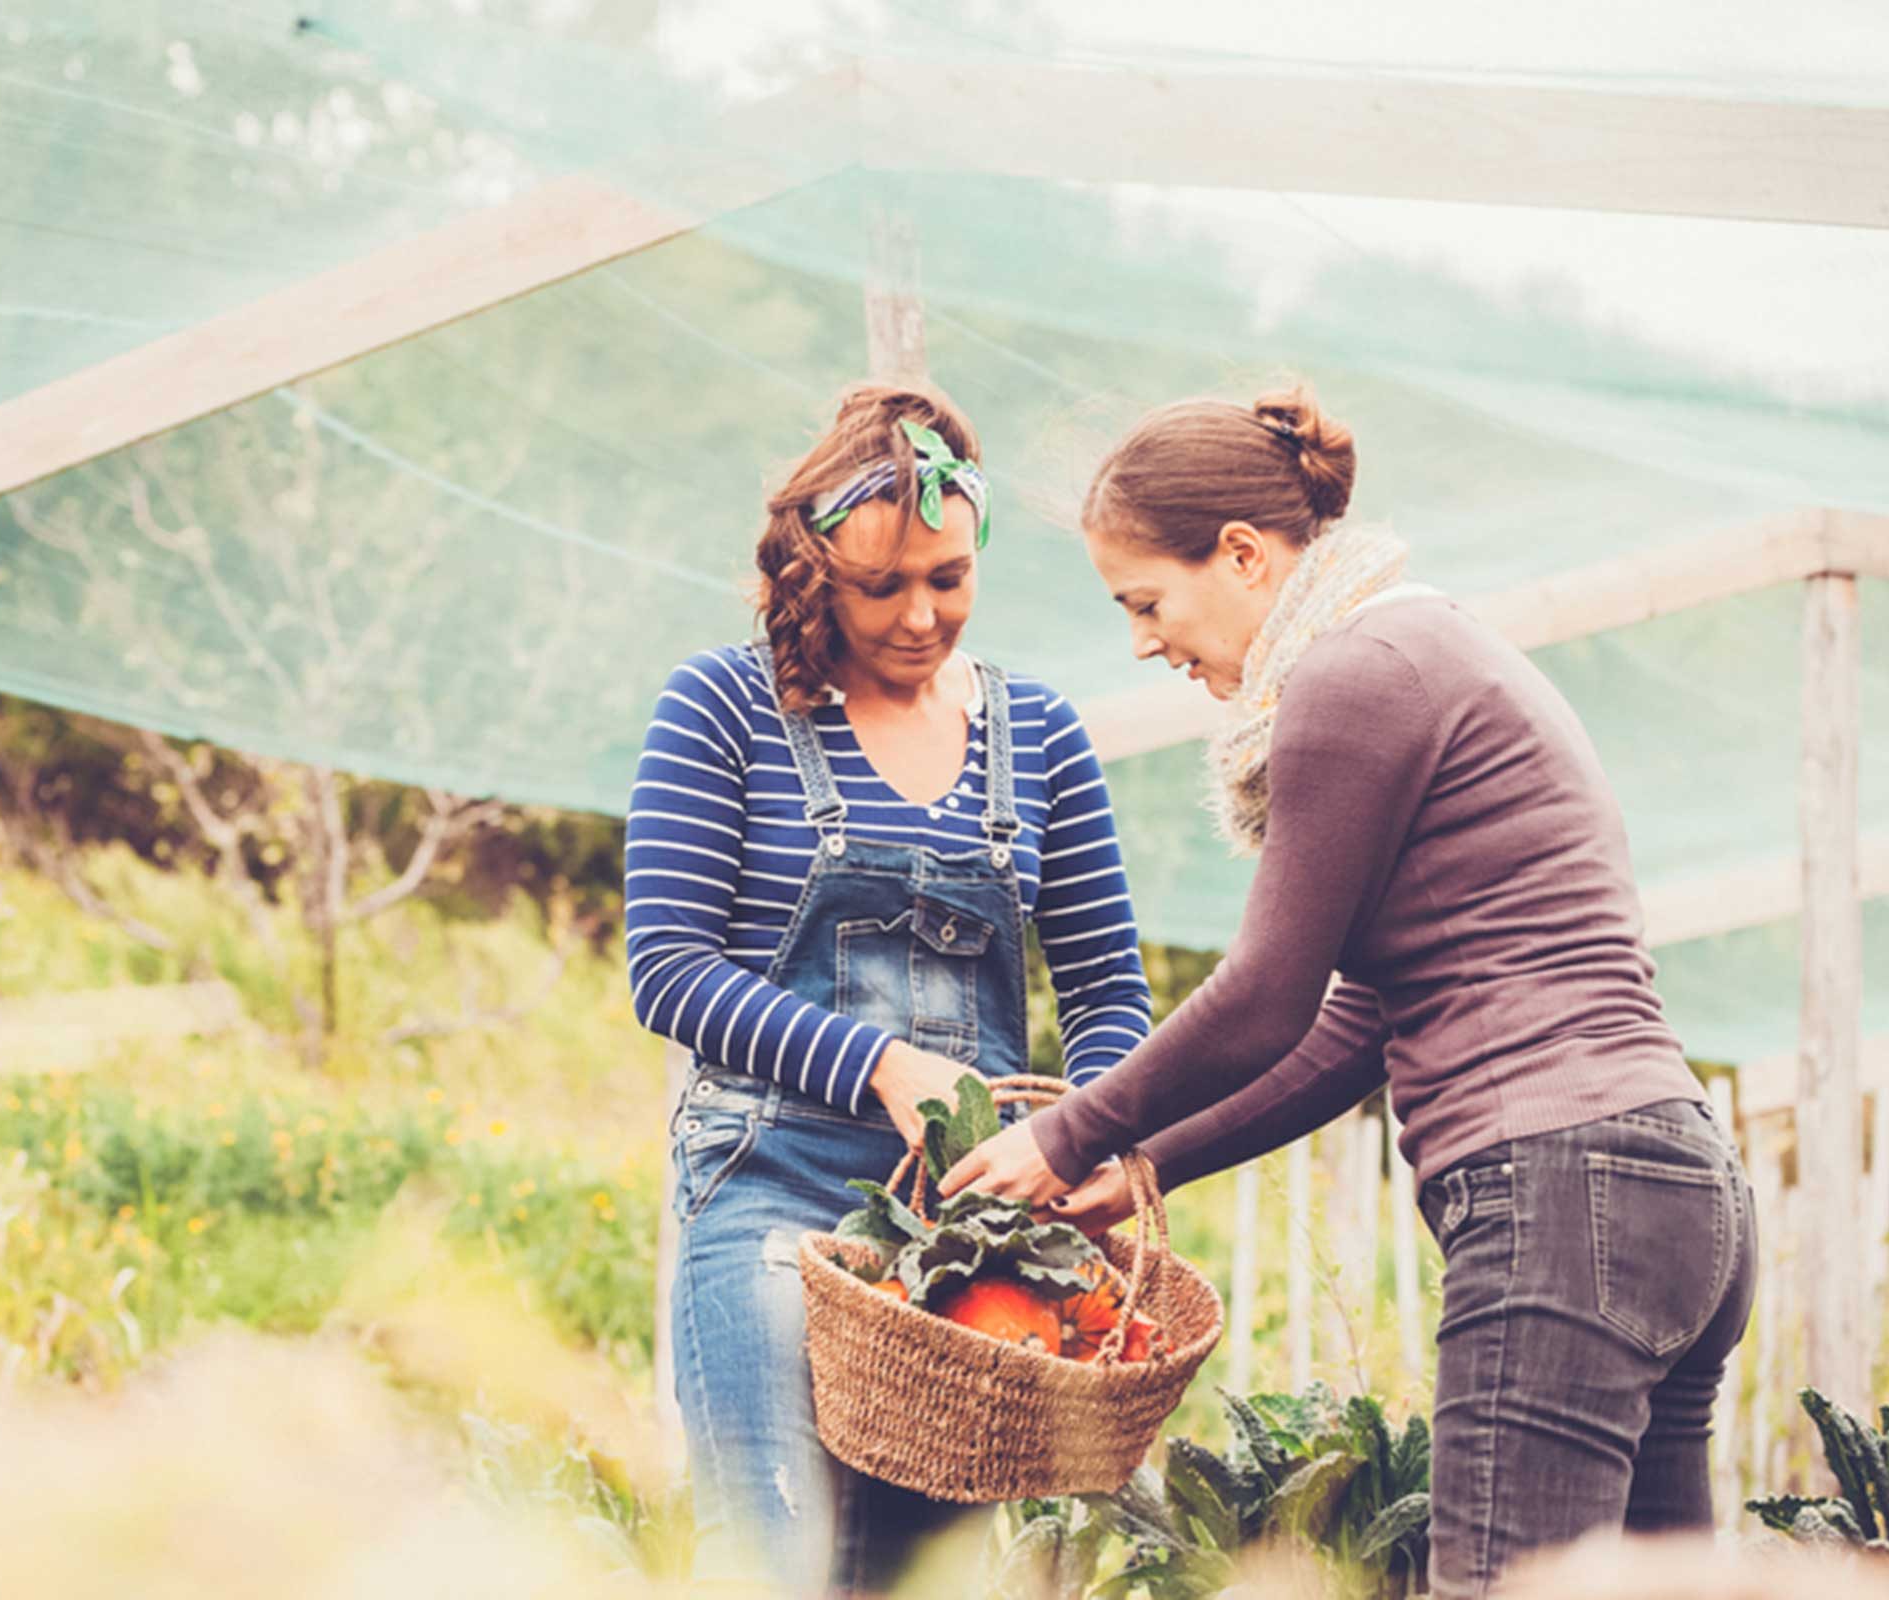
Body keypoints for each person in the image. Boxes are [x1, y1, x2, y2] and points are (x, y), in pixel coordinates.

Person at [942, 385, 1758, 1598]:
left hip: (1558, 1188)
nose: (1146, 644)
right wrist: (1147, 1162)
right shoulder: (1427, 645)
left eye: (1147, 602)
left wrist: (1069, 1133)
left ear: (1242, 554)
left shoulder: (1348, 675)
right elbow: (1357, 1025)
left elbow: (1267, 993)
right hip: (1673, 1187)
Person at [625, 383, 1155, 1594]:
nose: (923, 616)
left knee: (915, 1578)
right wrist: (880, 1065)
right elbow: (669, 968)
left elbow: (1109, 988)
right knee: (773, 1554)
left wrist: (1092, 1126)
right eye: (882, 588)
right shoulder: (722, 708)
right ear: (818, 569)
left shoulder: (1042, 735)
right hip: (767, 1192)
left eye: (951, 579)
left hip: (960, 1227)